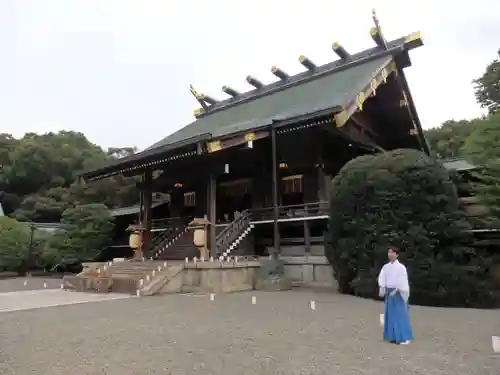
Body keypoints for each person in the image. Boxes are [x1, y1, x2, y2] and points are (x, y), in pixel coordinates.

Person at [377, 246, 413, 344]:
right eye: (389, 252)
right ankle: (392, 336)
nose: (390, 254)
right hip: (389, 292)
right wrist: (382, 287)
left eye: (393, 252)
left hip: (398, 293)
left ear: (397, 254)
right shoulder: (386, 267)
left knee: (400, 314)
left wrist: (397, 289)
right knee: (390, 314)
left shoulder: (401, 267)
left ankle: (404, 337)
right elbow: (382, 278)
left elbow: (403, 280)